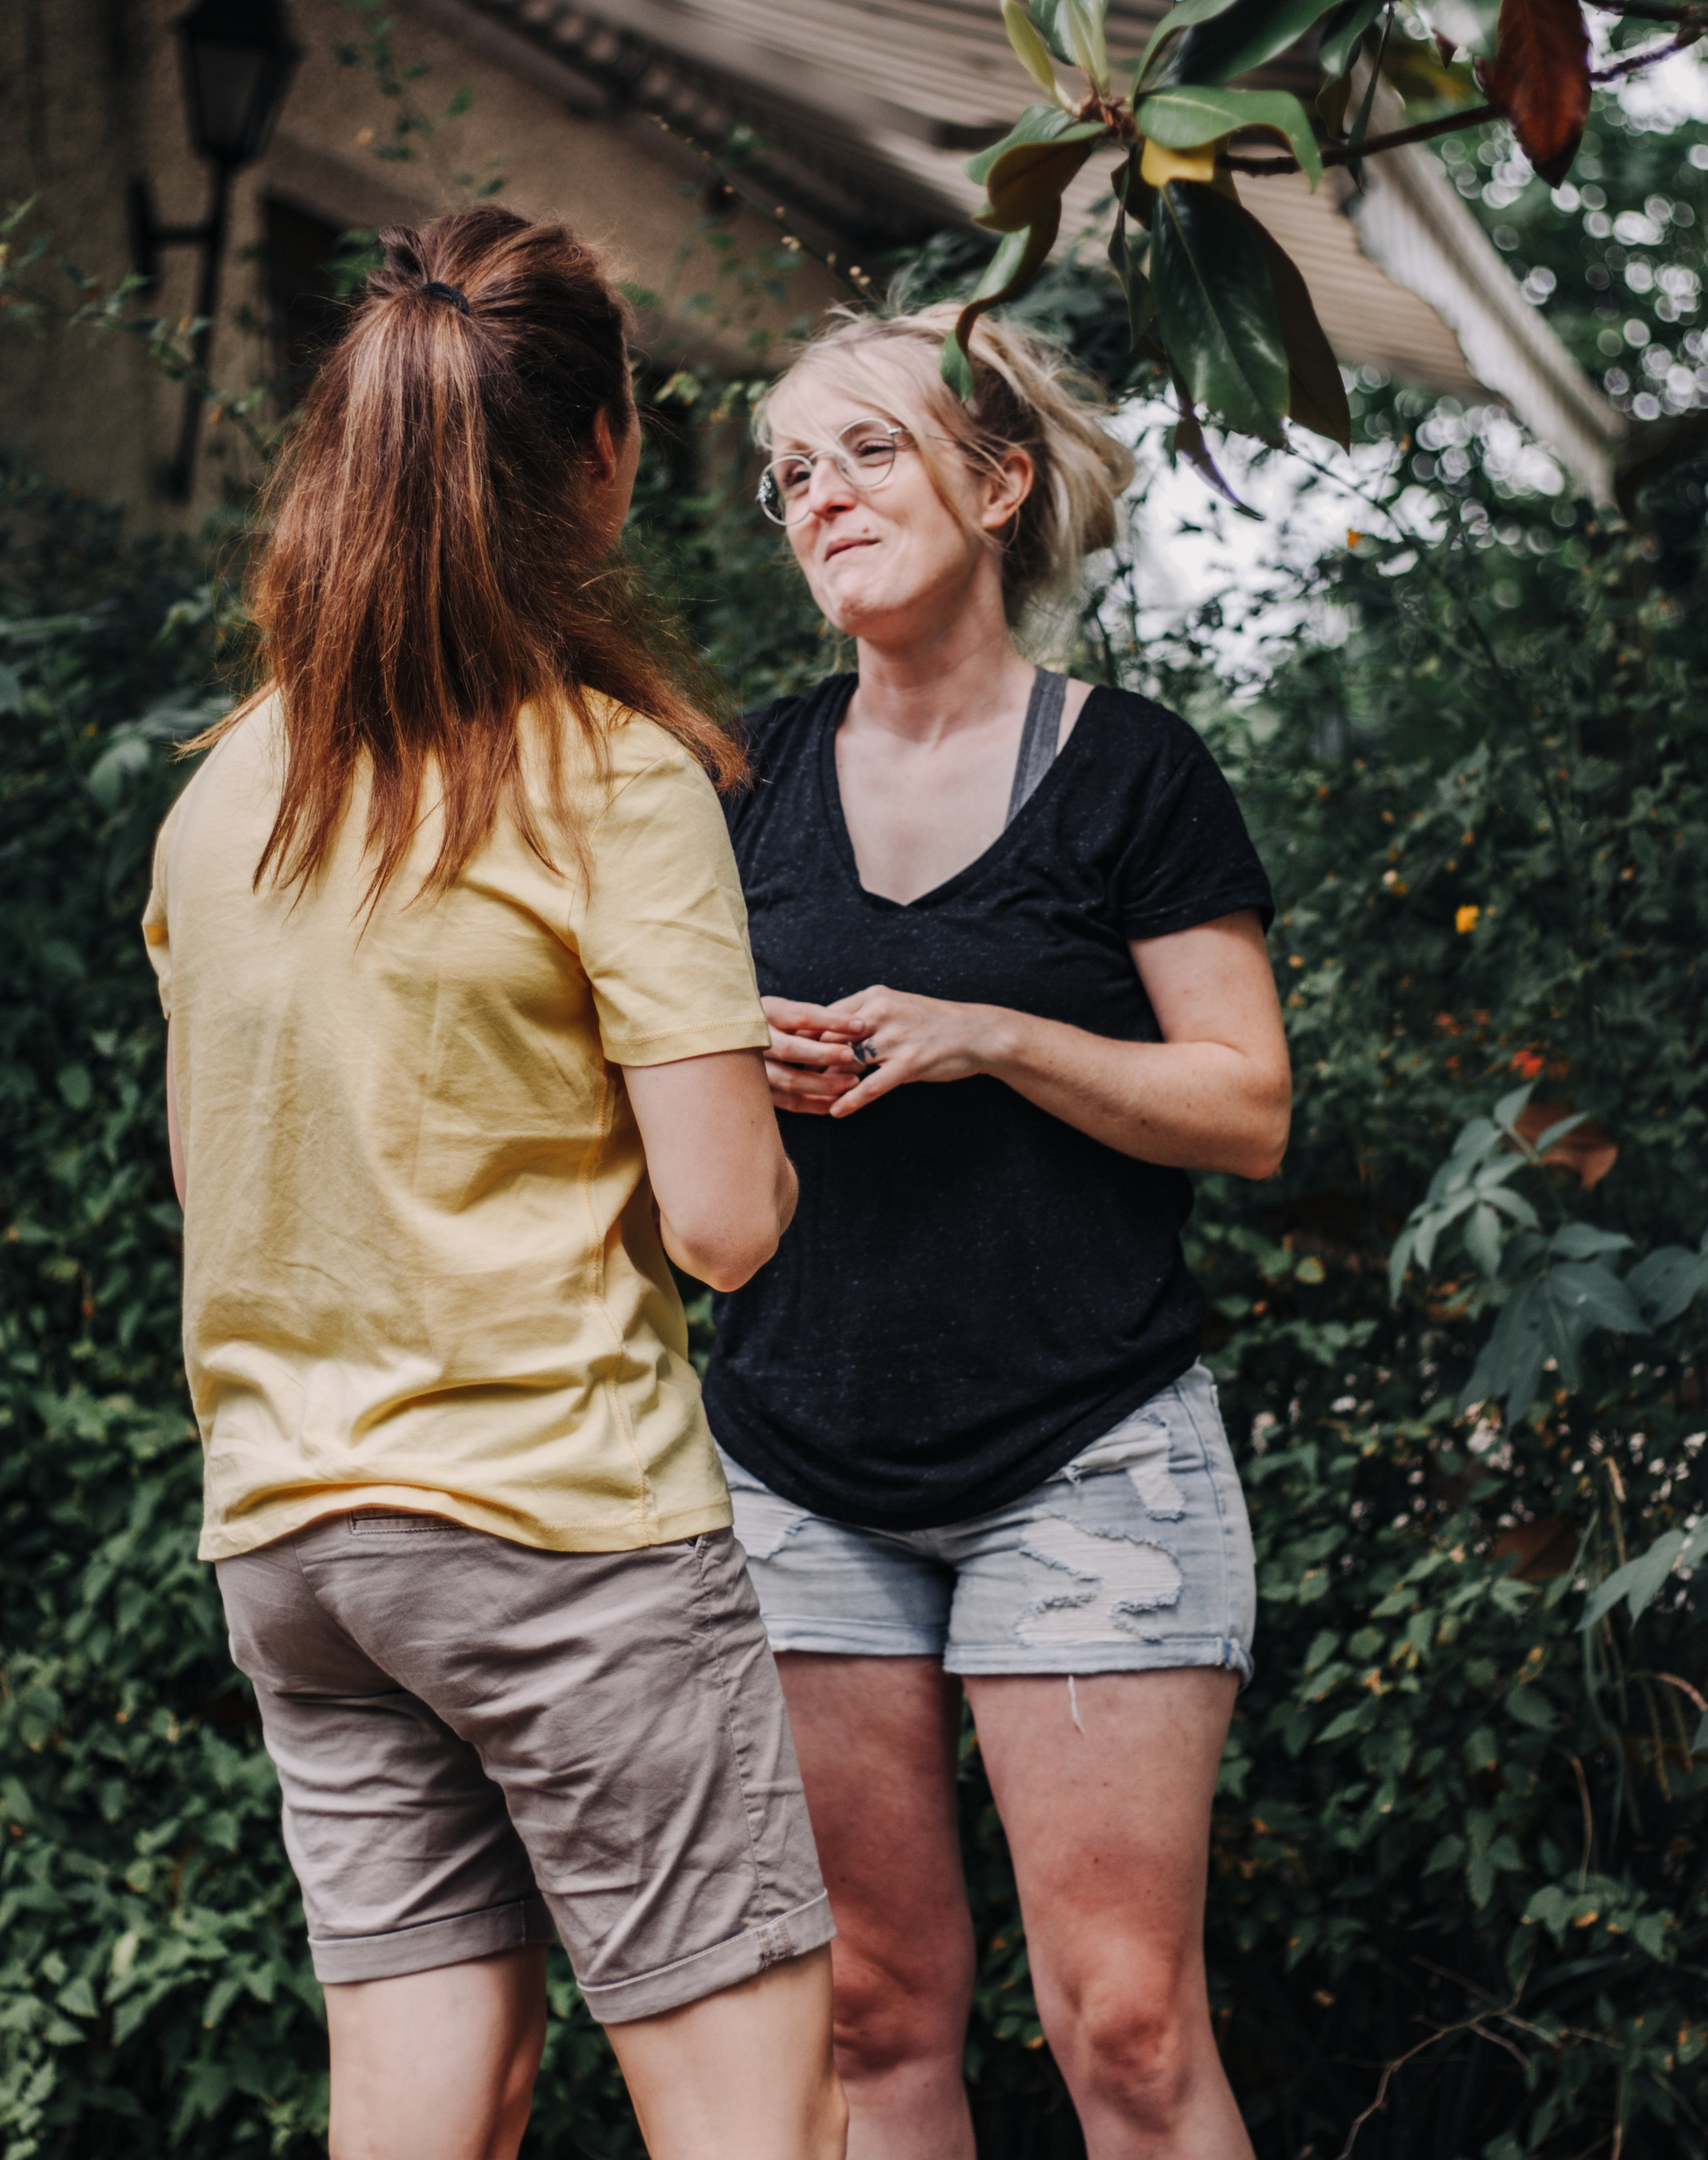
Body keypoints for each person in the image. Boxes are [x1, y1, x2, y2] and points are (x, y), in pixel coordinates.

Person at [142, 209, 846, 2160]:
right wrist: (726, 1113)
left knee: (422, 2122)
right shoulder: (613, 778)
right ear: (605, 449)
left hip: (295, 1540)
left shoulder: (225, 797)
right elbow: (721, 1223)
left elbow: (236, 1182)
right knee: (759, 2127)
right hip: (561, 1523)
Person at [705, 302, 1292, 2160]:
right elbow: (649, 1123)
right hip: (799, 1467)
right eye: (793, 471)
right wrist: (736, 1067)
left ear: (999, 478)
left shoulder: (1130, 771)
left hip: (1084, 1458)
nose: (823, 493)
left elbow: (1248, 1103)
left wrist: (1002, 1035)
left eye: (867, 448)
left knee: (1122, 2020)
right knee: (872, 2015)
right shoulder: (738, 784)